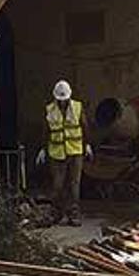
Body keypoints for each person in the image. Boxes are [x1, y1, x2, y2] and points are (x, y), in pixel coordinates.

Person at [36, 80, 94, 226]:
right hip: (57, 153)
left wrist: (87, 145)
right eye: (60, 100)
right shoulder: (50, 110)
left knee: (74, 184)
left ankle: (74, 215)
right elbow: (45, 130)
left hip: (75, 152)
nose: (62, 102)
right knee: (58, 185)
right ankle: (57, 213)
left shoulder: (77, 107)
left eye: (64, 99)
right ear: (55, 97)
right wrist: (43, 148)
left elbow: (85, 126)